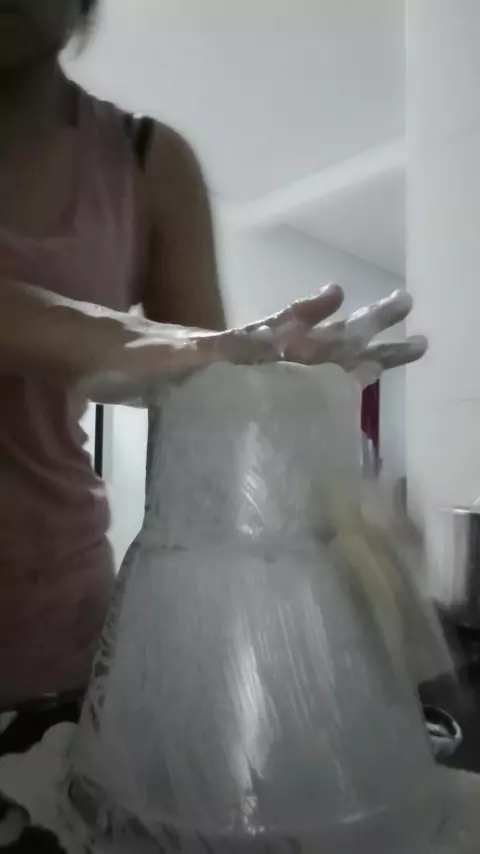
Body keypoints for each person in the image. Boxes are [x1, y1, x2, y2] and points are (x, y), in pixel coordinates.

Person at [0, 0, 427, 712]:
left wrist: (279, 413)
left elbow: (207, 416)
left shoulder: (145, 161)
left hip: (62, 629)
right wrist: (167, 349)